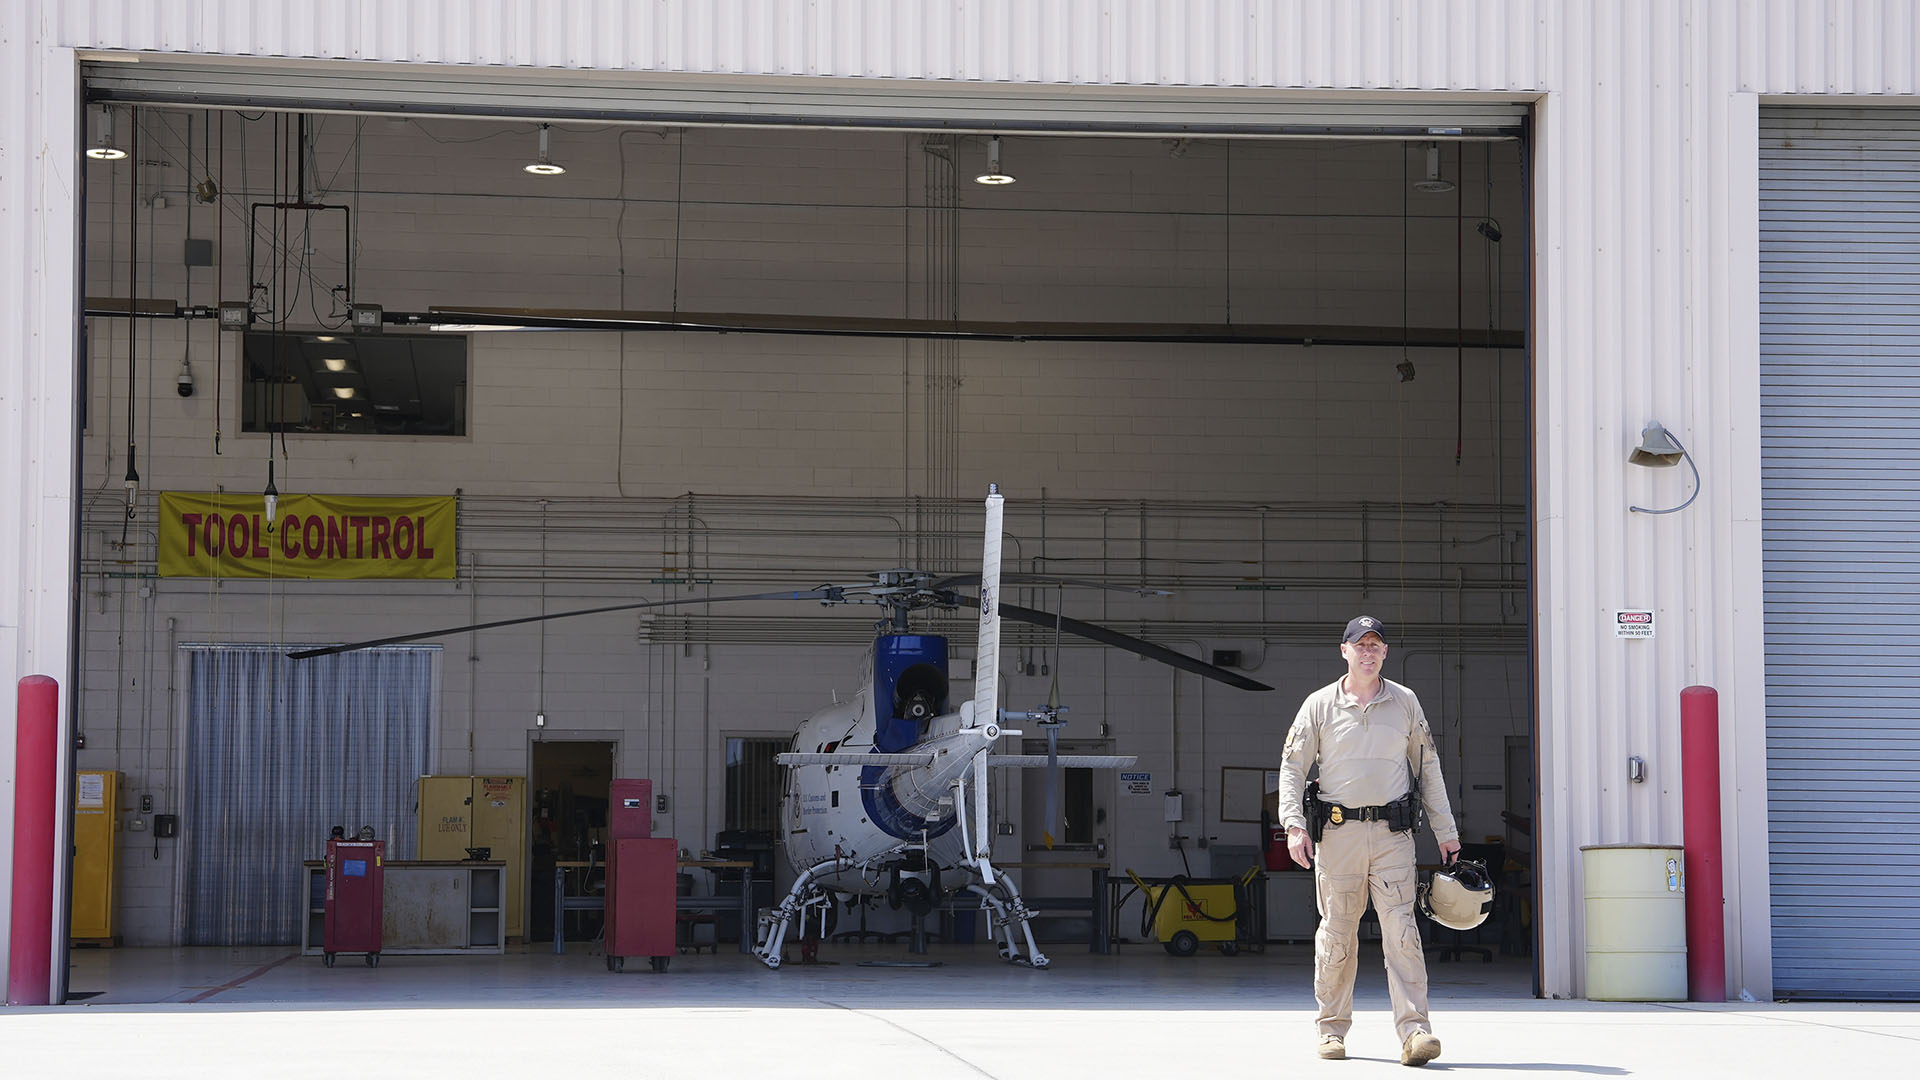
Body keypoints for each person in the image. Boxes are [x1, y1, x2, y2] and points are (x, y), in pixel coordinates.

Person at [1275, 615, 1460, 1067]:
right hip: (1338, 838)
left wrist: (1447, 833)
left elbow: (1428, 768)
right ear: (1345, 651)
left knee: (1402, 931)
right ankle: (1331, 1031)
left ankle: (1416, 1032)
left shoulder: (1406, 703)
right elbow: (1292, 768)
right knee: (1338, 933)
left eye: (1376, 645)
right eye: (1360, 645)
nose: (1368, 652)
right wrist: (1294, 825)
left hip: (1393, 836)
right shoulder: (1319, 706)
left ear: (1385, 652)